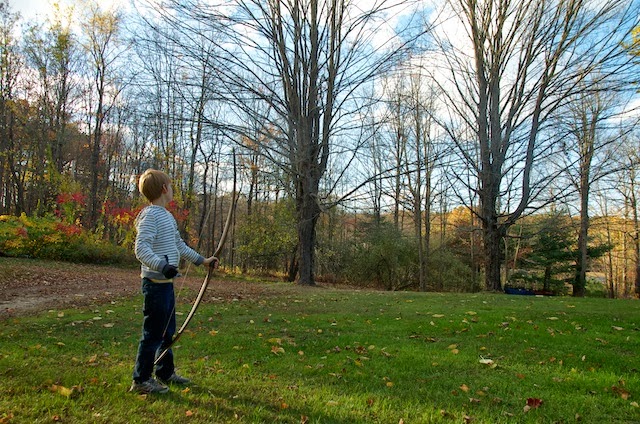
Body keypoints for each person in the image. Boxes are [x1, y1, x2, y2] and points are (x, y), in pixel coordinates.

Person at [129, 169, 218, 394]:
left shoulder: (167, 216)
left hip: (165, 285)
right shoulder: (150, 216)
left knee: (167, 332)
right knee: (152, 334)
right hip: (154, 285)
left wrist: (202, 261)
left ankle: (164, 372)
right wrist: (162, 266)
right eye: (170, 185)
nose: (172, 189)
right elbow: (141, 248)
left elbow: (178, 245)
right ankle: (141, 380)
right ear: (164, 189)